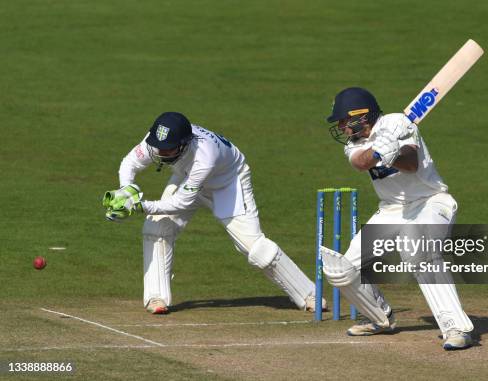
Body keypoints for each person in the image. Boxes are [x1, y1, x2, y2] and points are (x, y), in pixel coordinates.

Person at [102, 112, 324, 315]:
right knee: (156, 227)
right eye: (159, 147)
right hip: (187, 176)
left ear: (184, 143)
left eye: (168, 149)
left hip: (228, 184)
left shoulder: (204, 155)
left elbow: (181, 202)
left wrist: (141, 206)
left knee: (256, 250)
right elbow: (129, 163)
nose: (160, 152)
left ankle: (309, 295)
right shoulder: (157, 138)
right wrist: (126, 190)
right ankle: (156, 297)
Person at [321, 87, 473, 350]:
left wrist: (394, 153)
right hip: (392, 209)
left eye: (344, 121)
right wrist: (379, 152)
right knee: (340, 271)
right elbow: (360, 163)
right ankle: (381, 318)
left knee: (418, 252)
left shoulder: (397, 124)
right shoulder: (353, 144)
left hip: (431, 202)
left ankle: (456, 328)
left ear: (361, 116)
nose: (342, 127)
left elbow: (412, 163)